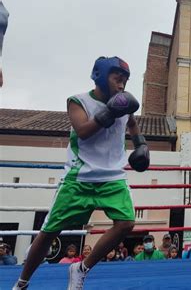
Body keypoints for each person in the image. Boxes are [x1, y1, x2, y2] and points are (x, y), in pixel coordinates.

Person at [13, 56, 150, 290]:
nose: (121, 85)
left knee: (126, 224)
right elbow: (84, 131)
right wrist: (109, 112)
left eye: (125, 81)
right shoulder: (78, 101)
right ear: (101, 75)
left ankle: (81, 268)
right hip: (79, 177)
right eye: (118, 79)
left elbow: (132, 124)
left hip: (112, 177)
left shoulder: (124, 104)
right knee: (49, 232)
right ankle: (22, 283)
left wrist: (141, 145)